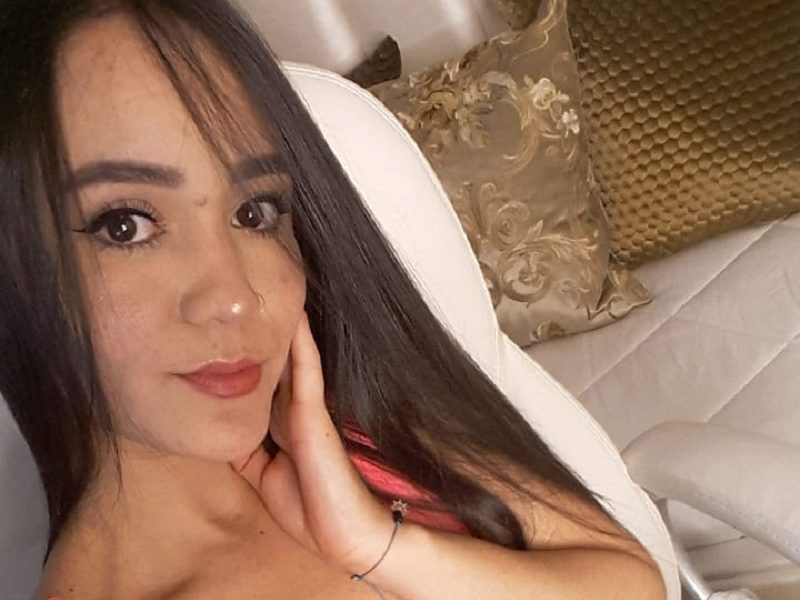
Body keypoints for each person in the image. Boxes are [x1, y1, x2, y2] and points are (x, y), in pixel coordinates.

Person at [0, 1, 667, 598]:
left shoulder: (338, 427)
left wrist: (374, 544)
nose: (236, 299)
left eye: (255, 212)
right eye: (126, 225)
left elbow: (630, 579)